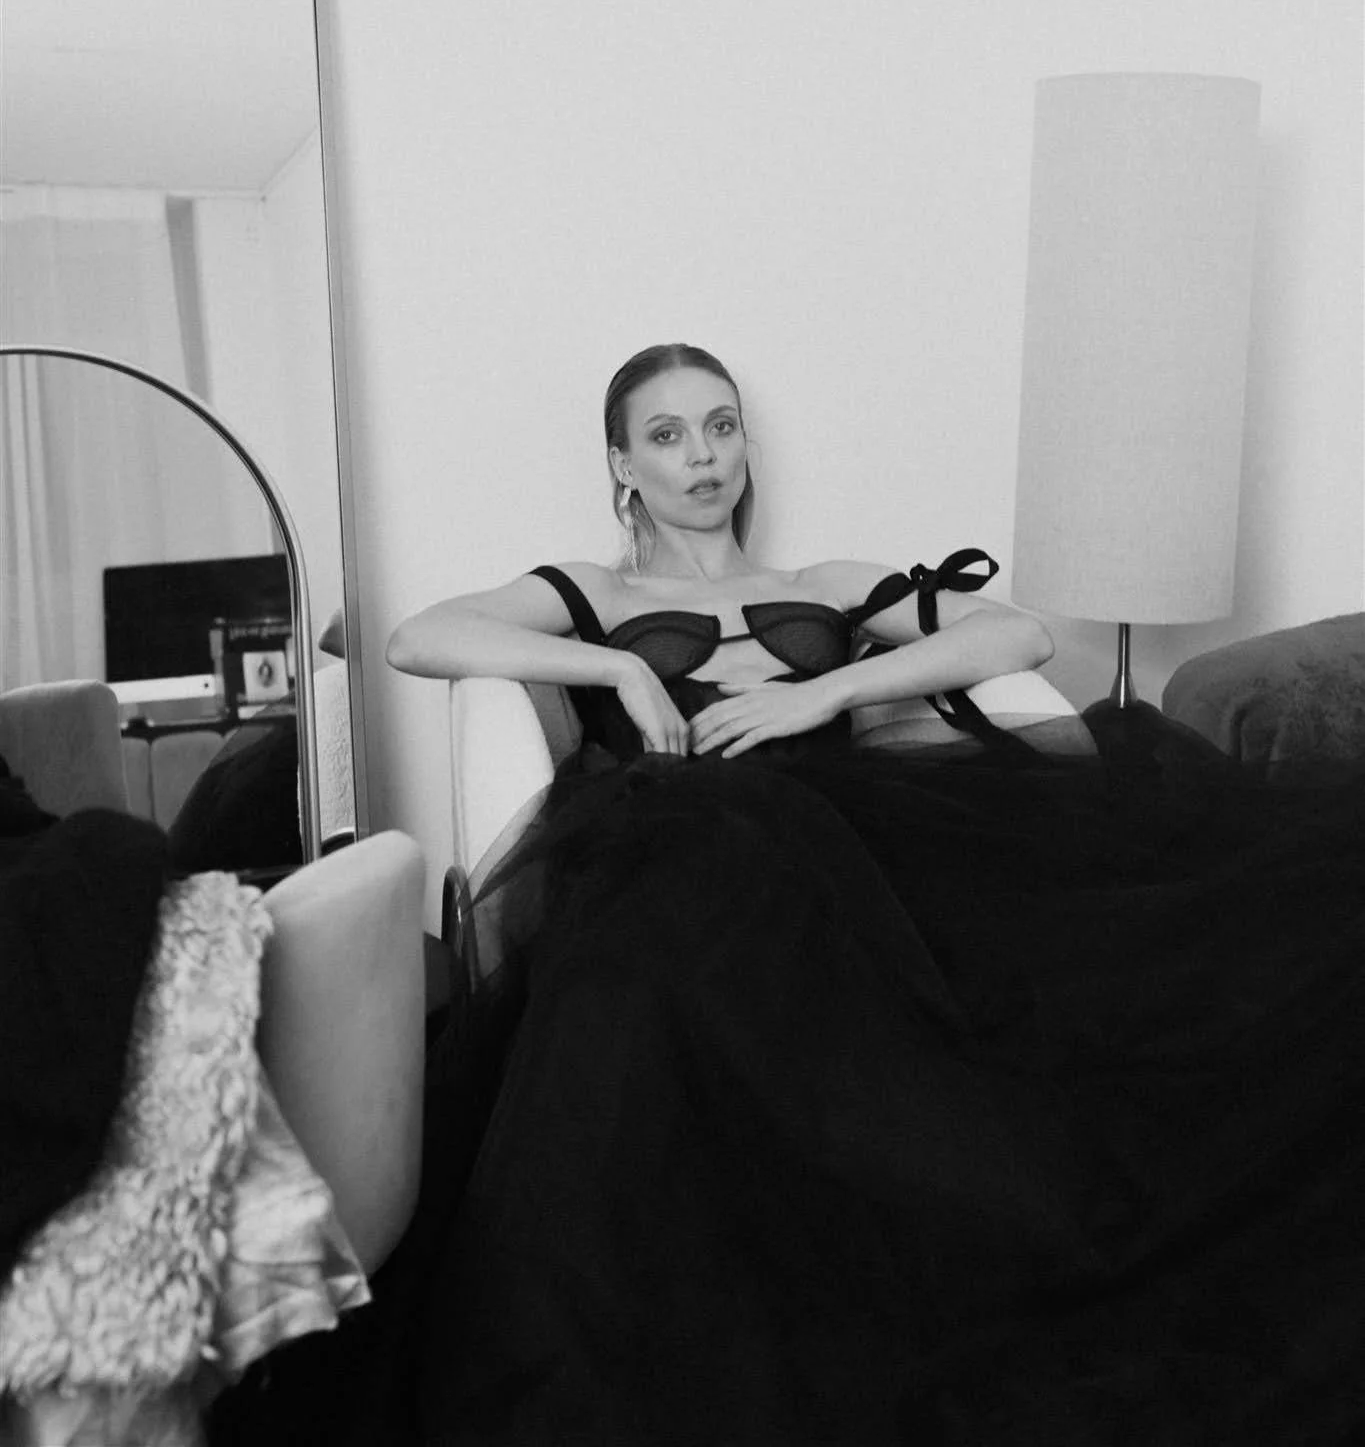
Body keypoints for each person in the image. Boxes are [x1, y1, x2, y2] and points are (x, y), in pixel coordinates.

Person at [380, 343, 1365, 1447]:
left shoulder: (828, 584)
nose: (701, 455)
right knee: (676, 948)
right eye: (666, 434)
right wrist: (619, 668)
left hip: (854, 833)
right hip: (679, 843)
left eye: (720, 425)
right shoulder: (594, 592)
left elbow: (1018, 633)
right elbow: (418, 635)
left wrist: (828, 689)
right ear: (622, 461)